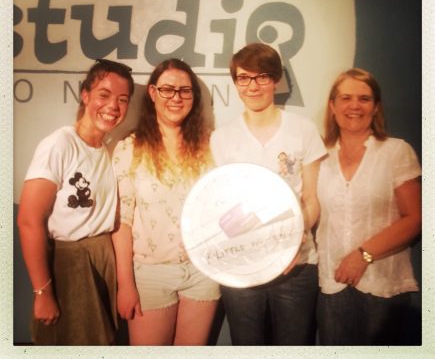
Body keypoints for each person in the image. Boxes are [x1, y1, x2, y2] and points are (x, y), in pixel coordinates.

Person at [210, 43, 326, 345]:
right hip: (241, 266)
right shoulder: (221, 138)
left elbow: (312, 200)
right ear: (235, 82)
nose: (253, 85)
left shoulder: (303, 130)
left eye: (262, 76)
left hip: (296, 266)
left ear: (276, 79)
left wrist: (292, 240)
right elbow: (220, 207)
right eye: (244, 78)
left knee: (294, 345)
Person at [17, 59, 135, 345]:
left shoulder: (109, 150)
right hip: (68, 265)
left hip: (101, 258)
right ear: (85, 95)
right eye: (104, 95)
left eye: (122, 99)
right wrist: (42, 293)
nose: (113, 107)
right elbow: (29, 220)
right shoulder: (60, 144)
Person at [111, 58, 220, 345]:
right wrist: (125, 285)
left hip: (202, 272)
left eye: (185, 91)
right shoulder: (129, 148)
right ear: (152, 93)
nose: (176, 97)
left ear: (194, 97)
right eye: (168, 89)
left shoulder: (211, 146)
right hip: (150, 274)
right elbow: (122, 223)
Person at [316, 68, 422, 345]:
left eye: (364, 99)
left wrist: (362, 256)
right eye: (346, 98)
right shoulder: (318, 156)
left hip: (382, 284)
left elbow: (415, 218)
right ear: (332, 105)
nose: (354, 106)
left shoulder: (396, 151)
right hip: (332, 284)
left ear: (375, 107)